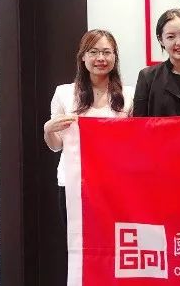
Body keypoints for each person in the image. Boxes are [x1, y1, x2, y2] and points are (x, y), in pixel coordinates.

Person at [44, 29, 134, 226]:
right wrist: (48, 130)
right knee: (78, 241)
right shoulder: (64, 93)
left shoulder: (129, 95)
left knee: (113, 240)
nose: (100, 58)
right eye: (93, 52)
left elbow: (135, 143)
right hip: (74, 183)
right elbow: (56, 146)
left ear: (115, 57)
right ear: (83, 56)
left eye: (107, 52)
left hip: (115, 184)